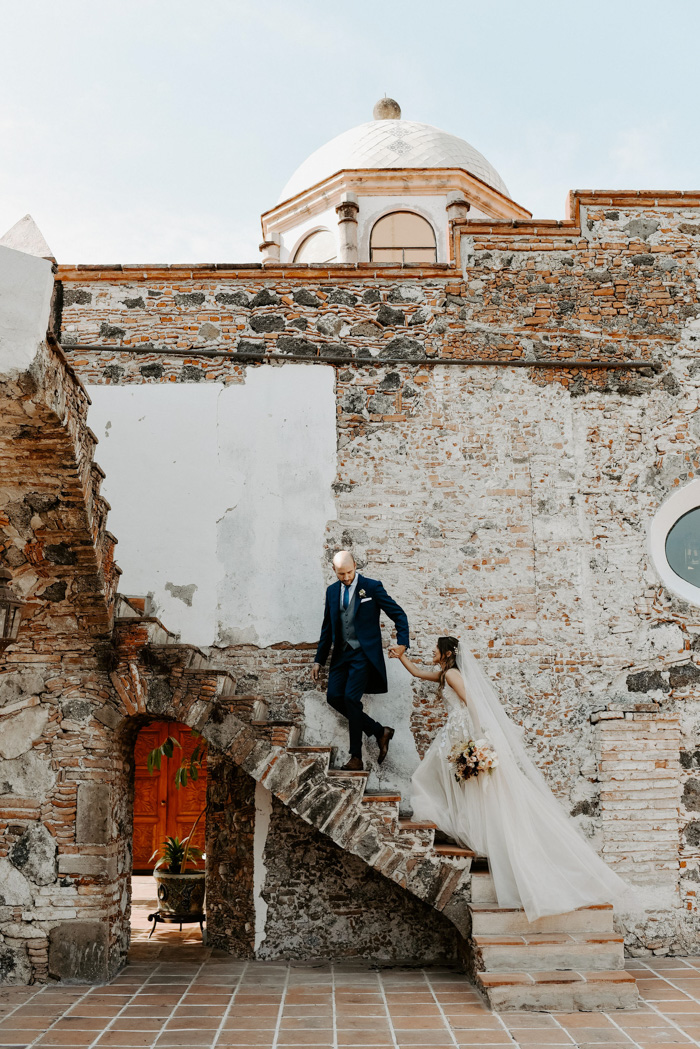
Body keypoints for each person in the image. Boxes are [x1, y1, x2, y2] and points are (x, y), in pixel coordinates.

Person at [392, 636, 632, 921]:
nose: (431, 653)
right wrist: (400, 657)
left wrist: (479, 741)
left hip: (463, 734)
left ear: (446, 654)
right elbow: (419, 672)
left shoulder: (454, 674)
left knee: (469, 786)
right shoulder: (445, 674)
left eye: (435, 650)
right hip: (452, 736)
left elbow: (473, 704)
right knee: (454, 783)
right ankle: (473, 832)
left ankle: (486, 838)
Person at [311, 550, 410, 771]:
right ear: (334, 571)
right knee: (334, 697)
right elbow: (327, 628)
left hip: (363, 654)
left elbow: (399, 614)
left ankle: (356, 757)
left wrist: (402, 643)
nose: (345, 578)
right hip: (341, 655)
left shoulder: (372, 587)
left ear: (355, 565)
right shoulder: (332, 591)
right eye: (340, 574)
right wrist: (319, 660)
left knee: (350, 698)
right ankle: (379, 730)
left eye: (349, 572)